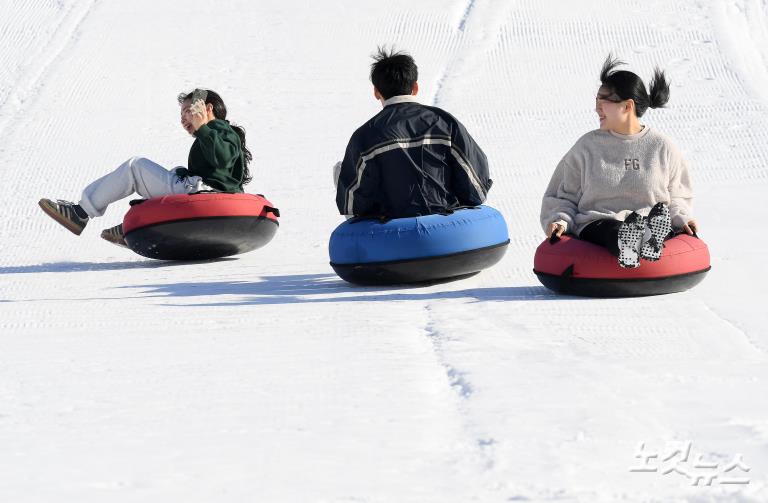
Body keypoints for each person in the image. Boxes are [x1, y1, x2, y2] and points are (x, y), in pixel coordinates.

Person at [39, 89, 252, 246]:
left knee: (135, 167)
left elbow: (223, 159)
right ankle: (137, 227)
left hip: (205, 195)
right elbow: (219, 169)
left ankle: (80, 213)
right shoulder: (213, 136)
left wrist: (204, 127)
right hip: (207, 195)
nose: (184, 118)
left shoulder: (220, 130)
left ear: (207, 109)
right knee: (173, 174)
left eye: (188, 111)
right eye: (181, 115)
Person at [540, 55, 698, 268]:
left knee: (654, 223)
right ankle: (636, 242)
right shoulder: (586, 147)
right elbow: (563, 195)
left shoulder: (661, 147)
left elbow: (677, 195)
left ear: (627, 106)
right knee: (614, 231)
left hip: (648, 218)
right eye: (596, 101)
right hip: (599, 223)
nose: (597, 108)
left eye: (603, 100)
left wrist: (682, 218)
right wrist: (559, 220)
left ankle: (649, 237)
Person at [335, 47, 492, 219]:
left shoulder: (365, 136)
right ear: (415, 87)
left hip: (393, 236)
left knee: (342, 173)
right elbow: (477, 189)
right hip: (447, 233)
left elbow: (351, 205)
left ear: (376, 92)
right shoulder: (445, 123)